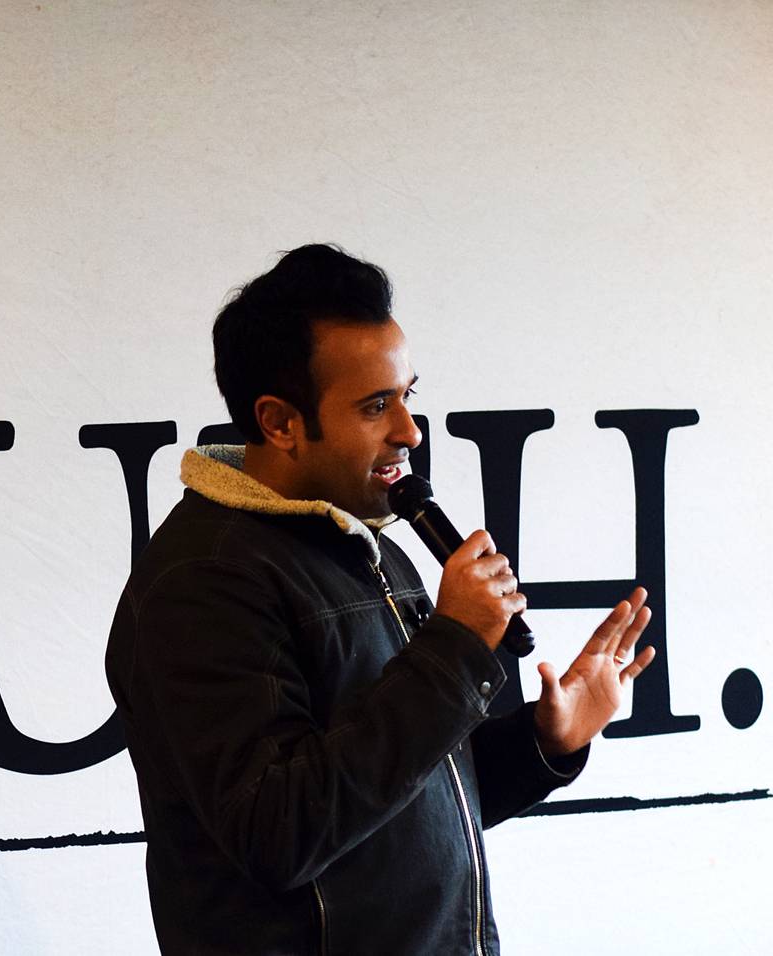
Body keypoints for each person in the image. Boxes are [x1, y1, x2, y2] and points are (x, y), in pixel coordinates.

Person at [104, 244, 655, 955]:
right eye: (374, 406)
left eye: (406, 395)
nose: (409, 431)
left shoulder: (366, 544)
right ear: (279, 422)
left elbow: (402, 795)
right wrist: (455, 647)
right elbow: (280, 833)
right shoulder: (204, 583)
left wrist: (546, 743)